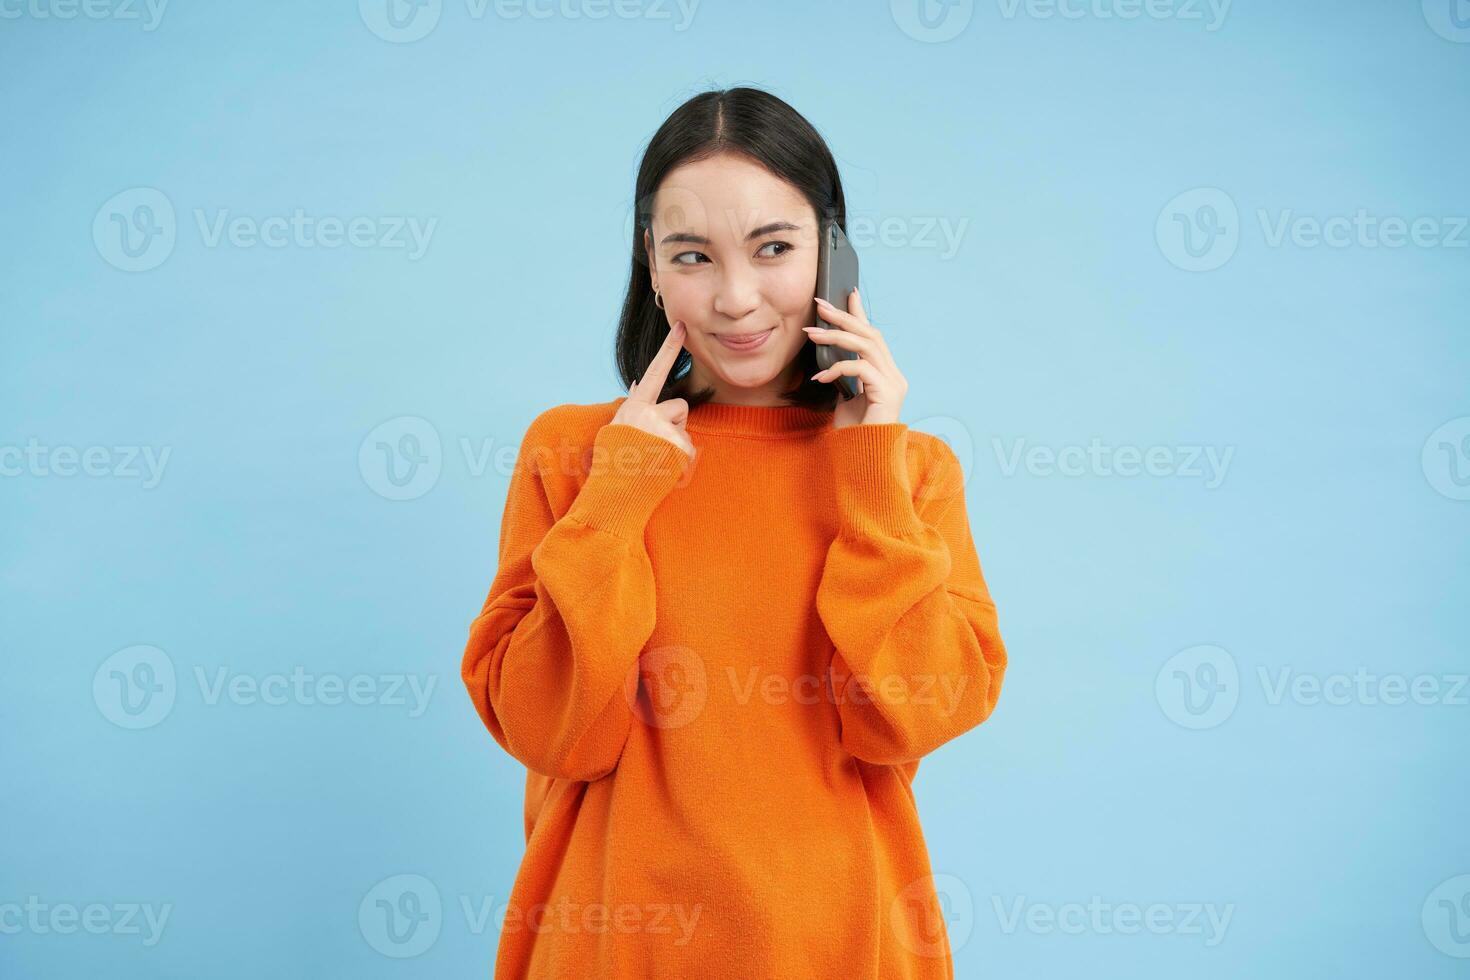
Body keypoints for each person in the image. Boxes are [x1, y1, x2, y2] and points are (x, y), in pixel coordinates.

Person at [460, 85, 1008, 979]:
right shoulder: (570, 452)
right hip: (610, 949)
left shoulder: (909, 471)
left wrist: (867, 469)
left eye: (774, 249)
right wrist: (621, 492)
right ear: (650, 262)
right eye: (693, 255)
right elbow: (552, 730)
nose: (736, 298)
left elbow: (915, 712)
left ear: (834, 253)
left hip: (842, 944)